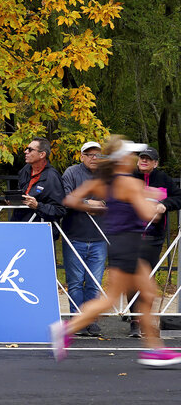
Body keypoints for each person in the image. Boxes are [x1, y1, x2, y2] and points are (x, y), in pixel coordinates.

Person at [53, 137, 181, 367]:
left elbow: (70, 199)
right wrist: (152, 201)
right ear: (122, 159)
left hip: (121, 244)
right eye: (130, 156)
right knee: (112, 299)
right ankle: (67, 329)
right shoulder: (130, 184)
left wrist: (98, 208)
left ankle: (154, 349)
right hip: (129, 245)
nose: (133, 160)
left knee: (148, 293)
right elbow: (145, 214)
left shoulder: (105, 182)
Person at [129, 146, 181, 336]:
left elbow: (178, 198)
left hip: (153, 236)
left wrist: (164, 205)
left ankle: (145, 319)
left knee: (147, 277)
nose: (143, 161)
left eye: (148, 159)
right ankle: (134, 320)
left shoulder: (164, 179)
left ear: (155, 163)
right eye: (141, 158)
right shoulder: (128, 177)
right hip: (130, 235)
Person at [60, 141, 107, 337]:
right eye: (89, 154)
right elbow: (66, 198)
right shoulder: (71, 172)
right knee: (76, 281)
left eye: (97, 154)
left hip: (99, 237)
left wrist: (99, 204)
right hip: (74, 235)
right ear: (81, 156)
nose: (93, 158)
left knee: (94, 282)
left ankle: (91, 320)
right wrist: (90, 203)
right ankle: (77, 319)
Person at [14, 137, 66, 229]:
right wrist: (15, 200)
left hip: (41, 230)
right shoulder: (25, 170)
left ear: (42, 154)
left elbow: (60, 210)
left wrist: (38, 206)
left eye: (30, 150)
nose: (26, 152)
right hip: (20, 226)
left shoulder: (52, 176)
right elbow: (24, 196)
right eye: (26, 149)